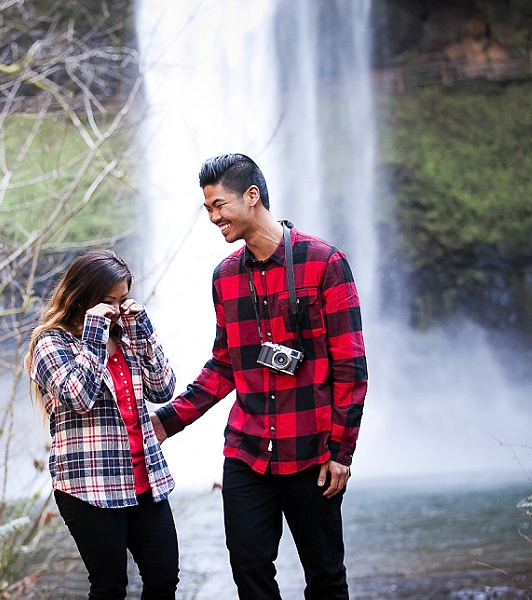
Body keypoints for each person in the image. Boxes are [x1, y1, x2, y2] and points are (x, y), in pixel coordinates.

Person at [150, 154, 368, 599]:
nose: (212, 218)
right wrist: (165, 422)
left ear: (252, 197)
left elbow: (351, 366)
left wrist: (341, 452)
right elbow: (225, 365)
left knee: (325, 577)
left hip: (313, 452)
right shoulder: (225, 276)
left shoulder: (324, 262)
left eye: (218, 205)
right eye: (207, 209)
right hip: (247, 453)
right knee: (249, 569)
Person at [26, 249, 180, 599]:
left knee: (164, 578)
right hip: (89, 485)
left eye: (123, 299)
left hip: (145, 480)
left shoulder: (125, 334)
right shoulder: (50, 342)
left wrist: (142, 328)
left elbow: (164, 388)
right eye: (107, 301)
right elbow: (79, 396)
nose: (115, 309)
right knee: (110, 587)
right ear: (82, 297)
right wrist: (95, 332)